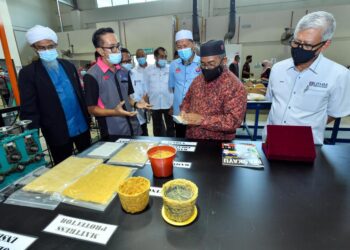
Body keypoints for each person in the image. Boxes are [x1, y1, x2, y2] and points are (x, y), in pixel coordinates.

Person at [265, 11, 350, 145]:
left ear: (325, 45)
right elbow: (272, 102)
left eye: (307, 45)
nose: (299, 48)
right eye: (296, 42)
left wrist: (307, 126)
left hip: (306, 145)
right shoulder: (278, 69)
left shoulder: (338, 75)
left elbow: (335, 112)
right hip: (271, 141)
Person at [18, 25, 91, 165]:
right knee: (64, 169)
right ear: (35, 48)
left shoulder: (68, 66)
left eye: (50, 46)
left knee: (89, 162)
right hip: (57, 131)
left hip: (82, 126)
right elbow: (29, 108)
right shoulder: (29, 73)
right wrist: (31, 136)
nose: (47, 50)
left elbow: (79, 94)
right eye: (42, 47)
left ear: (55, 45)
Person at [83, 27, 152, 139]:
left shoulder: (124, 71)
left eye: (118, 46)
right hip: (113, 131)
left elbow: (128, 98)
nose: (117, 50)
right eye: (112, 47)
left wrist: (136, 104)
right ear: (100, 51)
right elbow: (91, 109)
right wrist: (115, 112)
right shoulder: (92, 76)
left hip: (134, 127)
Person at [180, 40, 247, 140]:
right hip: (192, 138)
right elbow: (187, 99)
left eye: (211, 64)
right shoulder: (198, 79)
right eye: (203, 64)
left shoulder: (234, 85)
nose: (206, 68)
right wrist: (184, 110)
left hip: (217, 143)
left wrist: (202, 120)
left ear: (224, 61)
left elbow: (234, 120)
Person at [169, 30, 202, 137]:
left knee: (196, 139)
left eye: (185, 45)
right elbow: (173, 88)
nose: (182, 49)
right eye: (179, 47)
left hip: (196, 110)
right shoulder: (174, 65)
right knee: (180, 137)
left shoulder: (202, 63)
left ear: (192, 45)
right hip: (178, 111)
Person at [145, 47, 174, 137]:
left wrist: (174, 104)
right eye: (161, 56)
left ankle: (171, 145)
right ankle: (159, 145)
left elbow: (175, 88)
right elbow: (146, 88)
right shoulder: (148, 70)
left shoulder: (170, 68)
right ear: (155, 57)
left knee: (170, 127)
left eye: (165, 57)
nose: (164, 59)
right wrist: (146, 103)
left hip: (168, 103)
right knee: (157, 128)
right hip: (154, 104)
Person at [130, 48, 149, 136]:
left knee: (158, 125)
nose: (141, 58)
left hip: (152, 101)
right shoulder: (133, 72)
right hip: (138, 103)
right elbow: (133, 90)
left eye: (142, 56)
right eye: (138, 56)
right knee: (142, 127)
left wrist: (147, 97)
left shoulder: (151, 69)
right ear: (136, 58)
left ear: (146, 56)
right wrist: (140, 101)